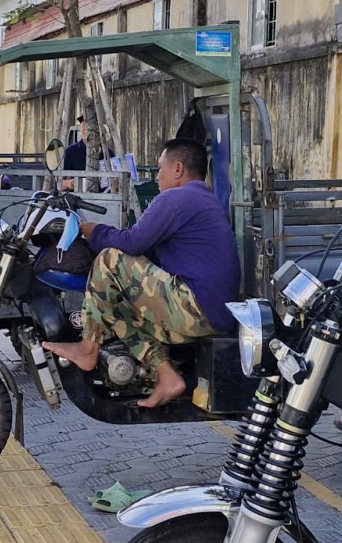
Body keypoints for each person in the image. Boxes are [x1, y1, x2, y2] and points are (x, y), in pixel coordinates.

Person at [42, 136, 240, 408]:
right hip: (210, 314)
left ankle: (88, 348)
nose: (157, 177)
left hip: (195, 306)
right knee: (119, 310)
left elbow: (132, 242)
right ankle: (167, 377)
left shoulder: (176, 198)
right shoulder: (201, 199)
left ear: (178, 169)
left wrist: (96, 232)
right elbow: (149, 252)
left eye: (160, 169)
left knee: (110, 259)